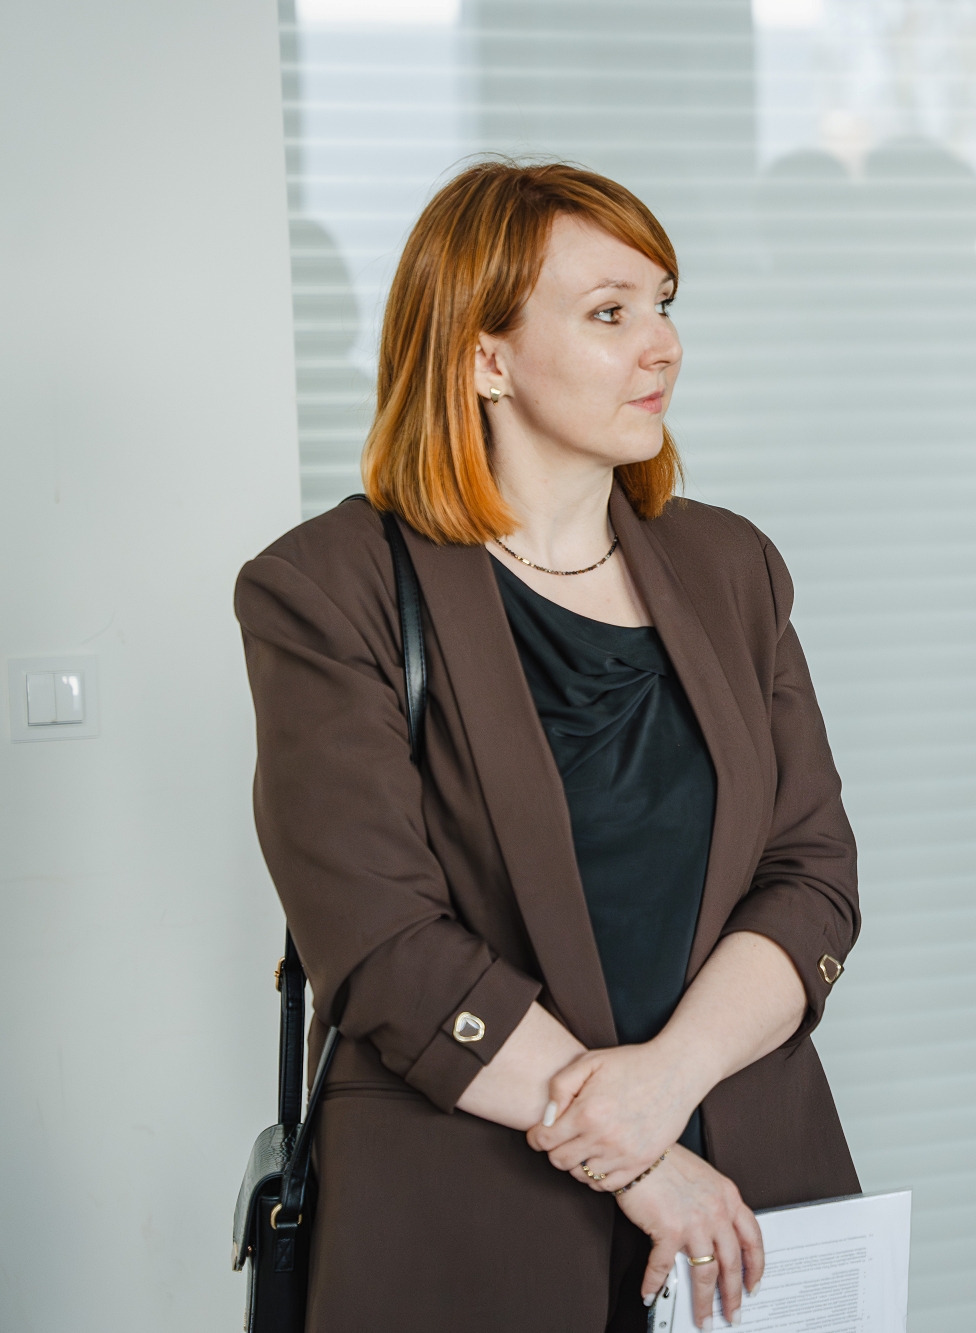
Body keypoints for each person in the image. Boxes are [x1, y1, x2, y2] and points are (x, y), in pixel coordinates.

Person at [235, 160, 861, 1332]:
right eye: (609, 313)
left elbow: (811, 876)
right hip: (471, 1210)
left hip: (742, 1192)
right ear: (486, 358)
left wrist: (665, 1086)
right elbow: (380, 942)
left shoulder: (731, 566)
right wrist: (639, 1157)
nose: (661, 345)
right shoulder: (326, 587)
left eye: (662, 304)